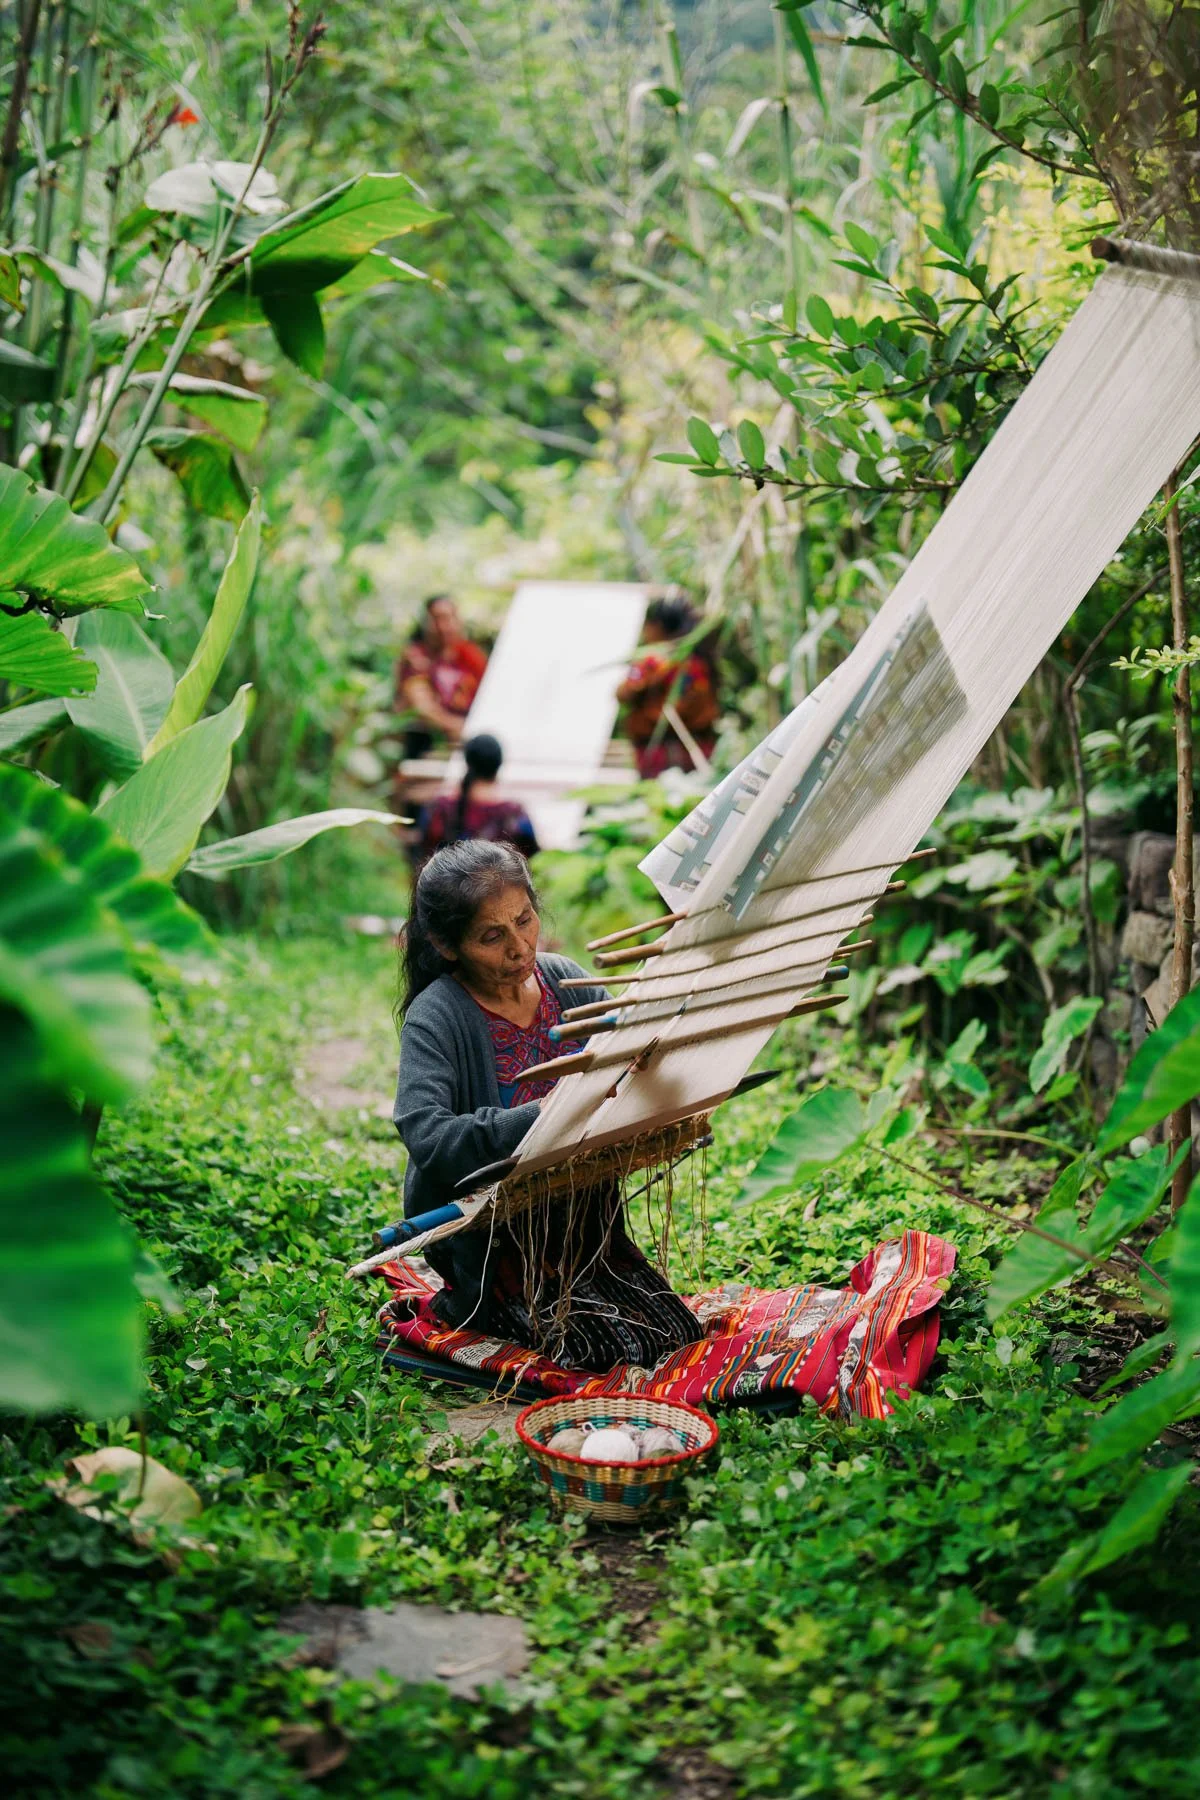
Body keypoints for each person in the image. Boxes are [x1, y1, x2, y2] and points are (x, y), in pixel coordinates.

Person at [392, 842, 703, 1371]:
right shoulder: (437, 1015)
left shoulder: (567, 983)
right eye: (492, 936)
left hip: (586, 1234)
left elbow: (626, 1064)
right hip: (494, 1246)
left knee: (672, 1334)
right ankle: (467, 1301)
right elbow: (430, 1135)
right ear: (448, 945)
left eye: (525, 920)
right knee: (596, 1353)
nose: (519, 947)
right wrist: (550, 1113)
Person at [616, 592, 720, 780]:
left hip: (666, 751)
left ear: (657, 626)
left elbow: (624, 694)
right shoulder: (698, 664)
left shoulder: (652, 663)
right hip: (691, 749)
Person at [412, 733, 539, 869]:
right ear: (499, 764)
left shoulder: (440, 810)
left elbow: (423, 857)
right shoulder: (514, 817)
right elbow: (533, 863)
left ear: (467, 762)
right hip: (499, 889)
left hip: (445, 888)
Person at [394, 594, 488, 760]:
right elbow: (423, 707)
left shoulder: (471, 655)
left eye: (451, 617)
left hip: (468, 743)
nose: (446, 626)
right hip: (426, 746)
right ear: (426, 623)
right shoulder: (416, 657)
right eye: (438, 619)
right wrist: (459, 728)